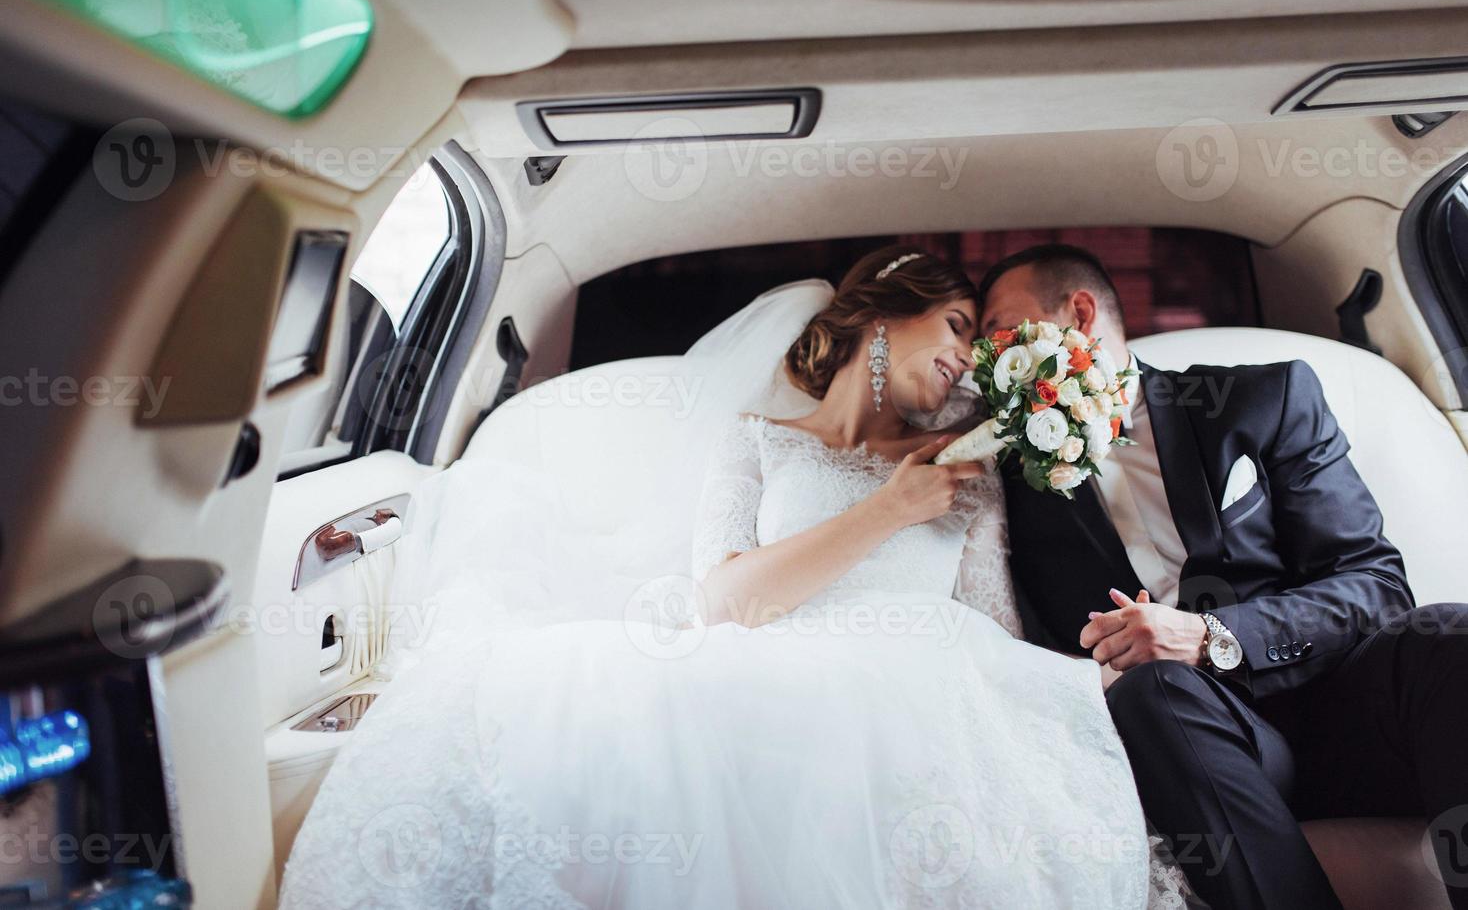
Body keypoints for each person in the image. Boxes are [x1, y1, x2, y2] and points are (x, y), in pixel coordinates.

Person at [278, 245, 1189, 909]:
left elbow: (990, 632)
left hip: (918, 697)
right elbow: (723, 603)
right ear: (882, 316)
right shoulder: (754, 444)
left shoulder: (967, 470)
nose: (967, 355)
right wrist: (887, 509)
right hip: (752, 684)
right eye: (954, 325)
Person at [978, 242, 1468, 909]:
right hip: (1187, 738)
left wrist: (1210, 635)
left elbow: (1376, 587)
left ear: (1081, 311)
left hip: (1345, 710)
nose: (993, 366)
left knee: (1450, 634)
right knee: (1155, 691)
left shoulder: (1262, 399)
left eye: (1002, 333)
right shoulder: (1014, 481)